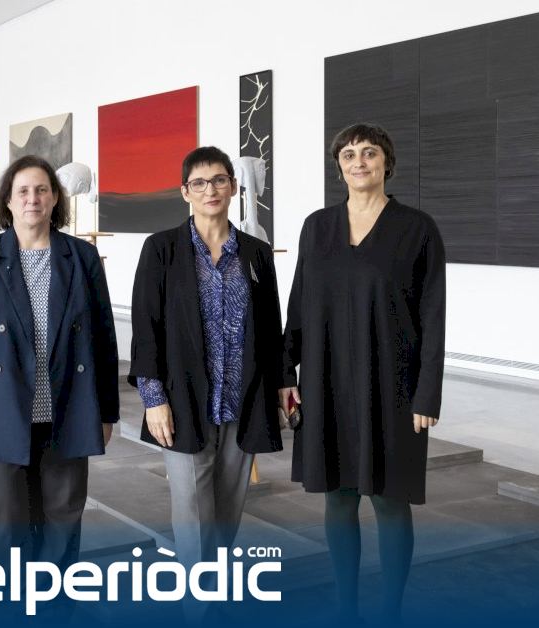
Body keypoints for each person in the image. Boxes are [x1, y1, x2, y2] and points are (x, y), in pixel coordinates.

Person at [281, 123, 446, 623]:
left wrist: (427, 394)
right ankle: (346, 608)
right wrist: (286, 372)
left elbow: (433, 316)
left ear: (386, 162)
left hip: (394, 386)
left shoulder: (417, 228)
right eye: (349, 155)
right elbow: (299, 305)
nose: (359, 162)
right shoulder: (317, 227)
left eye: (369, 153)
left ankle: (391, 610)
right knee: (338, 499)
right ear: (339, 167)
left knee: (391, 501)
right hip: (326, 383)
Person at [0, 155, 119, 616]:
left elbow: (104, 338)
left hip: (68, 410)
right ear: (8, 200)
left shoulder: (80, 257)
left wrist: (106, 412)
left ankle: (57, 610)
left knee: (63, 520)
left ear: (55, 198)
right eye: (23, 191)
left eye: (42, 190)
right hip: (5, 414)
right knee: (8, 523)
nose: (33, 199)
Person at [128, 146, 288, 573]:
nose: (210, 190)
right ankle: (199, 599)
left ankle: (213, 588)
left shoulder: (256, 253)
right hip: (182, 401)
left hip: (243, 401)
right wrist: (153, 399)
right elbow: (146, 329)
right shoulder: (161, 249)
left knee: (227, 514)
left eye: (219, 180)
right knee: (193, 514)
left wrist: (281, 386)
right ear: (185, 192)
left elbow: (271, 328)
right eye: (198, 183)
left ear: (232, 187)